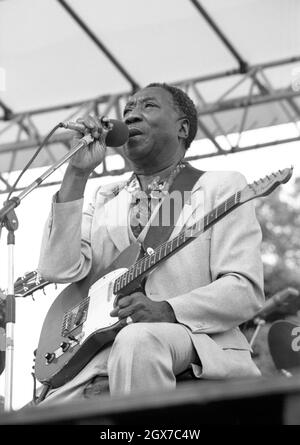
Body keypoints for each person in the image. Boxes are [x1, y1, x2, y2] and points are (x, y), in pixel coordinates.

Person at [36, 83, 264, 404]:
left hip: (191, 343)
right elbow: (57, 269)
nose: (130, 116)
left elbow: (244, 290)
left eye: (148, 107)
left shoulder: (217, 187)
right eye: (127, 110)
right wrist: (77, 174)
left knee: (138, 338)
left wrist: (167, 309)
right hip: (92, 361)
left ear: (182, 127)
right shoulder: (104, 198)